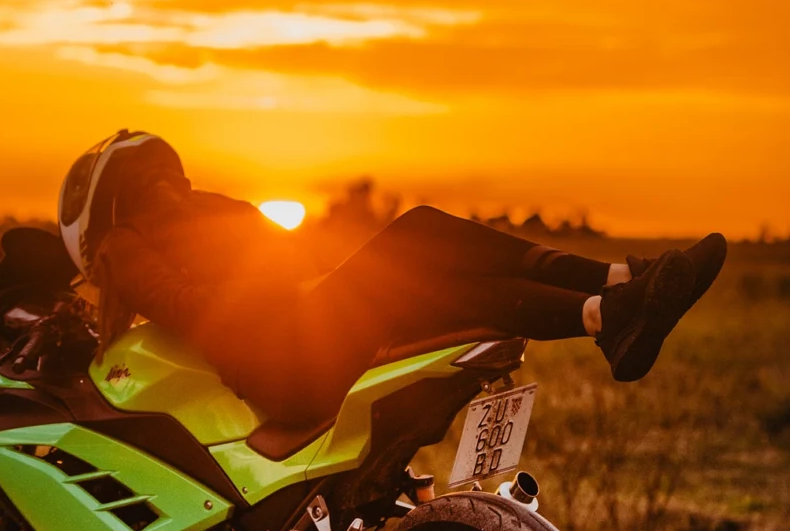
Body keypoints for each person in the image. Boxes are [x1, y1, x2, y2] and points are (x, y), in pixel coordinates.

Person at [58, 130, 726, 429]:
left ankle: (609, 310)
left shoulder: (206, 211)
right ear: (114, 200)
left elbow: (288, 258)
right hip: (278, 362)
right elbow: (190, 309)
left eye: (162, 172)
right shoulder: (123, 244)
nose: (164, 183)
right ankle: (618, 288)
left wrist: (295, 280)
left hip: (300, 330)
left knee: (445, 284)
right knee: (418, 233)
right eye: (146, 178)